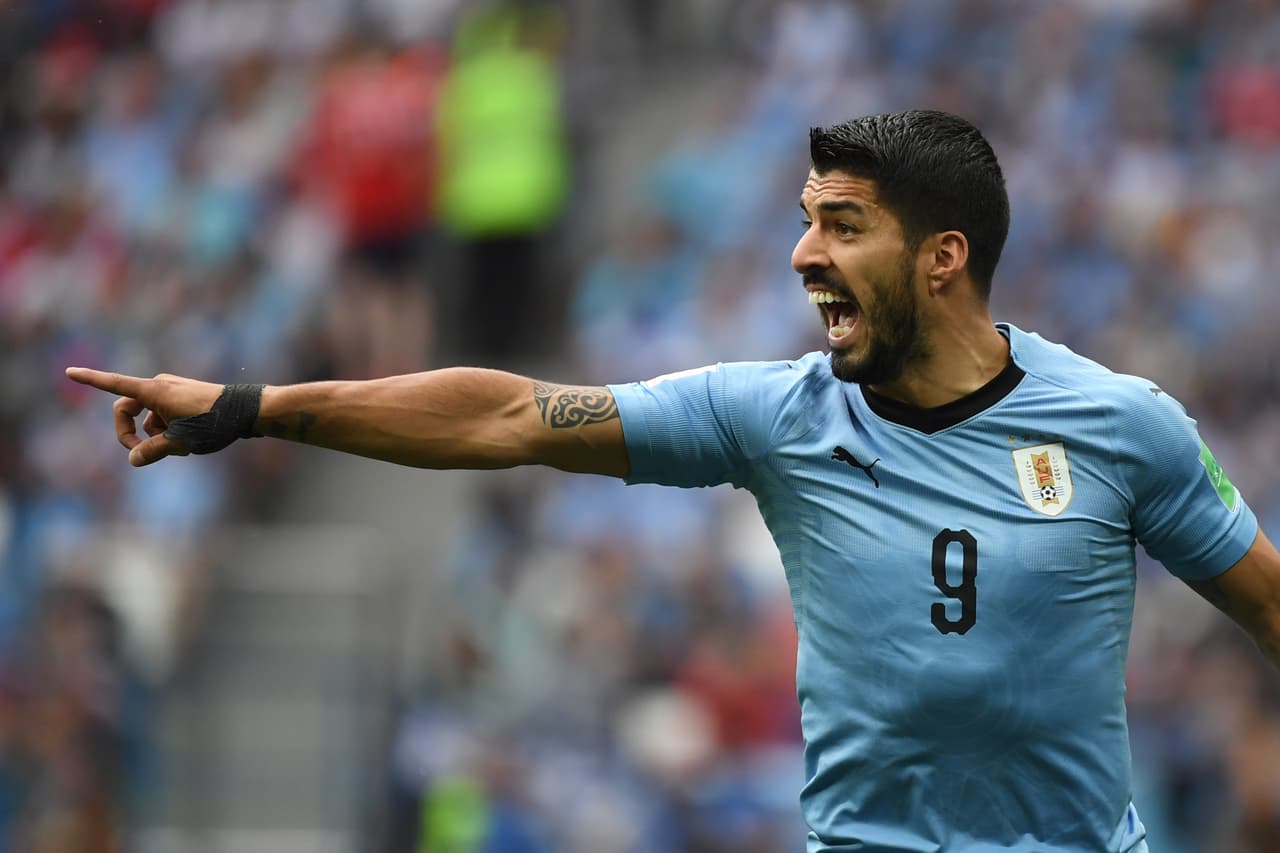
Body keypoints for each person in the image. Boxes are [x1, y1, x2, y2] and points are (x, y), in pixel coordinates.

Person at [66, 109, 1280, 853]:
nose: (804, 252)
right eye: (806, 221)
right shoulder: (772, 416)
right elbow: (508, 413)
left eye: (843, 224)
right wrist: (253, 407)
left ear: (944, 257)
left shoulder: (1123, 428)